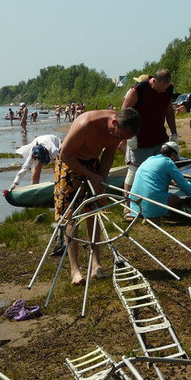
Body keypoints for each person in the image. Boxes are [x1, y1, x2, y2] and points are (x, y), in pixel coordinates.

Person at [54, 108, 141, 285]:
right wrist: (90, 175)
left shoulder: (117, 131)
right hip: (70, 164)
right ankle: (75, 270)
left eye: (123, 138)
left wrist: (101, 178)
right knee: (72, 216)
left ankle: (96, 264)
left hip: (93, 164)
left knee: (95, 211)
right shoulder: (85, 124)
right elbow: (65, 154)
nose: (119, 140)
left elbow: (108, 153)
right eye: (119, 136)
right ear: (114, 123)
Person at [121, 69, 178, 219]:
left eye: (166, 88)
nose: (163, 91)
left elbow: (169, 111)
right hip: (139, 138)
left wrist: (174, 133)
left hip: (159, 136)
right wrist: (129, 136)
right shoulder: (138, 90)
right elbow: (124, 110)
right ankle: (127, 208)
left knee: (163, 169)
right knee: (133, 171)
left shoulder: (167, 91)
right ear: (154, 81)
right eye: (161, 88)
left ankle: (160, 205)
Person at [128, 141, 191, 219]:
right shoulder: (168, 162)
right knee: (176, 199)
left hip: (135, 205)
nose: (175, 161)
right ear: (174, 155)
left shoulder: (150, 159)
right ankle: (162, 215)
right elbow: (184, 186)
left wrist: (170, 182)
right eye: (176, 158)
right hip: (150, 203)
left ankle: (147, 215)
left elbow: (152, 176)